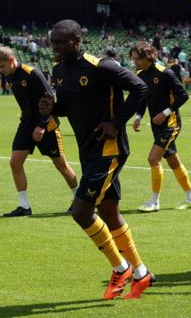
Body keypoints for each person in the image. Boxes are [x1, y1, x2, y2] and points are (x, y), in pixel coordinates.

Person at [39, 19, 153, 300]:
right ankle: (141, 274)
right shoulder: (58, 70)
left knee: (80, 212)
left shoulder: (101, 66)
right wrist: (54, 107)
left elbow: (140, 88)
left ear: (77, 41)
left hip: (109, 149)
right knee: (109, 212)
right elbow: (69, 107)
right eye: (52, 41)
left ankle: (120, 267)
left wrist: (116, 122)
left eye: (61, 41)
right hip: (88, 150)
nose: (54, 46)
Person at [0, 47, 78, 217]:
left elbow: (49, 99)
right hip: (26, 124)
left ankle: (79, 201)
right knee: (15, 162)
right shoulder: (9, 75)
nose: (0, 71)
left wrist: (42, 125)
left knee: (60, 164)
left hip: (46, 125)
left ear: (11, 60)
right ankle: (24, 206)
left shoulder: (32, 73)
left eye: (2, 66)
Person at [130, 41, 191, 213]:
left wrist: (166, 112)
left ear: (148, 56)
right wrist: (139, 116)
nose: (135, 62)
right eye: (133, 59)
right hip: (157, 125)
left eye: (138, 58)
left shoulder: (165, 72)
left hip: (170, 123)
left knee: (153, 159)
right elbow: (143, 98)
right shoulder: (140, 74)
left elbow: (183, 95)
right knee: (173, 160)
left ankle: (154, 202)